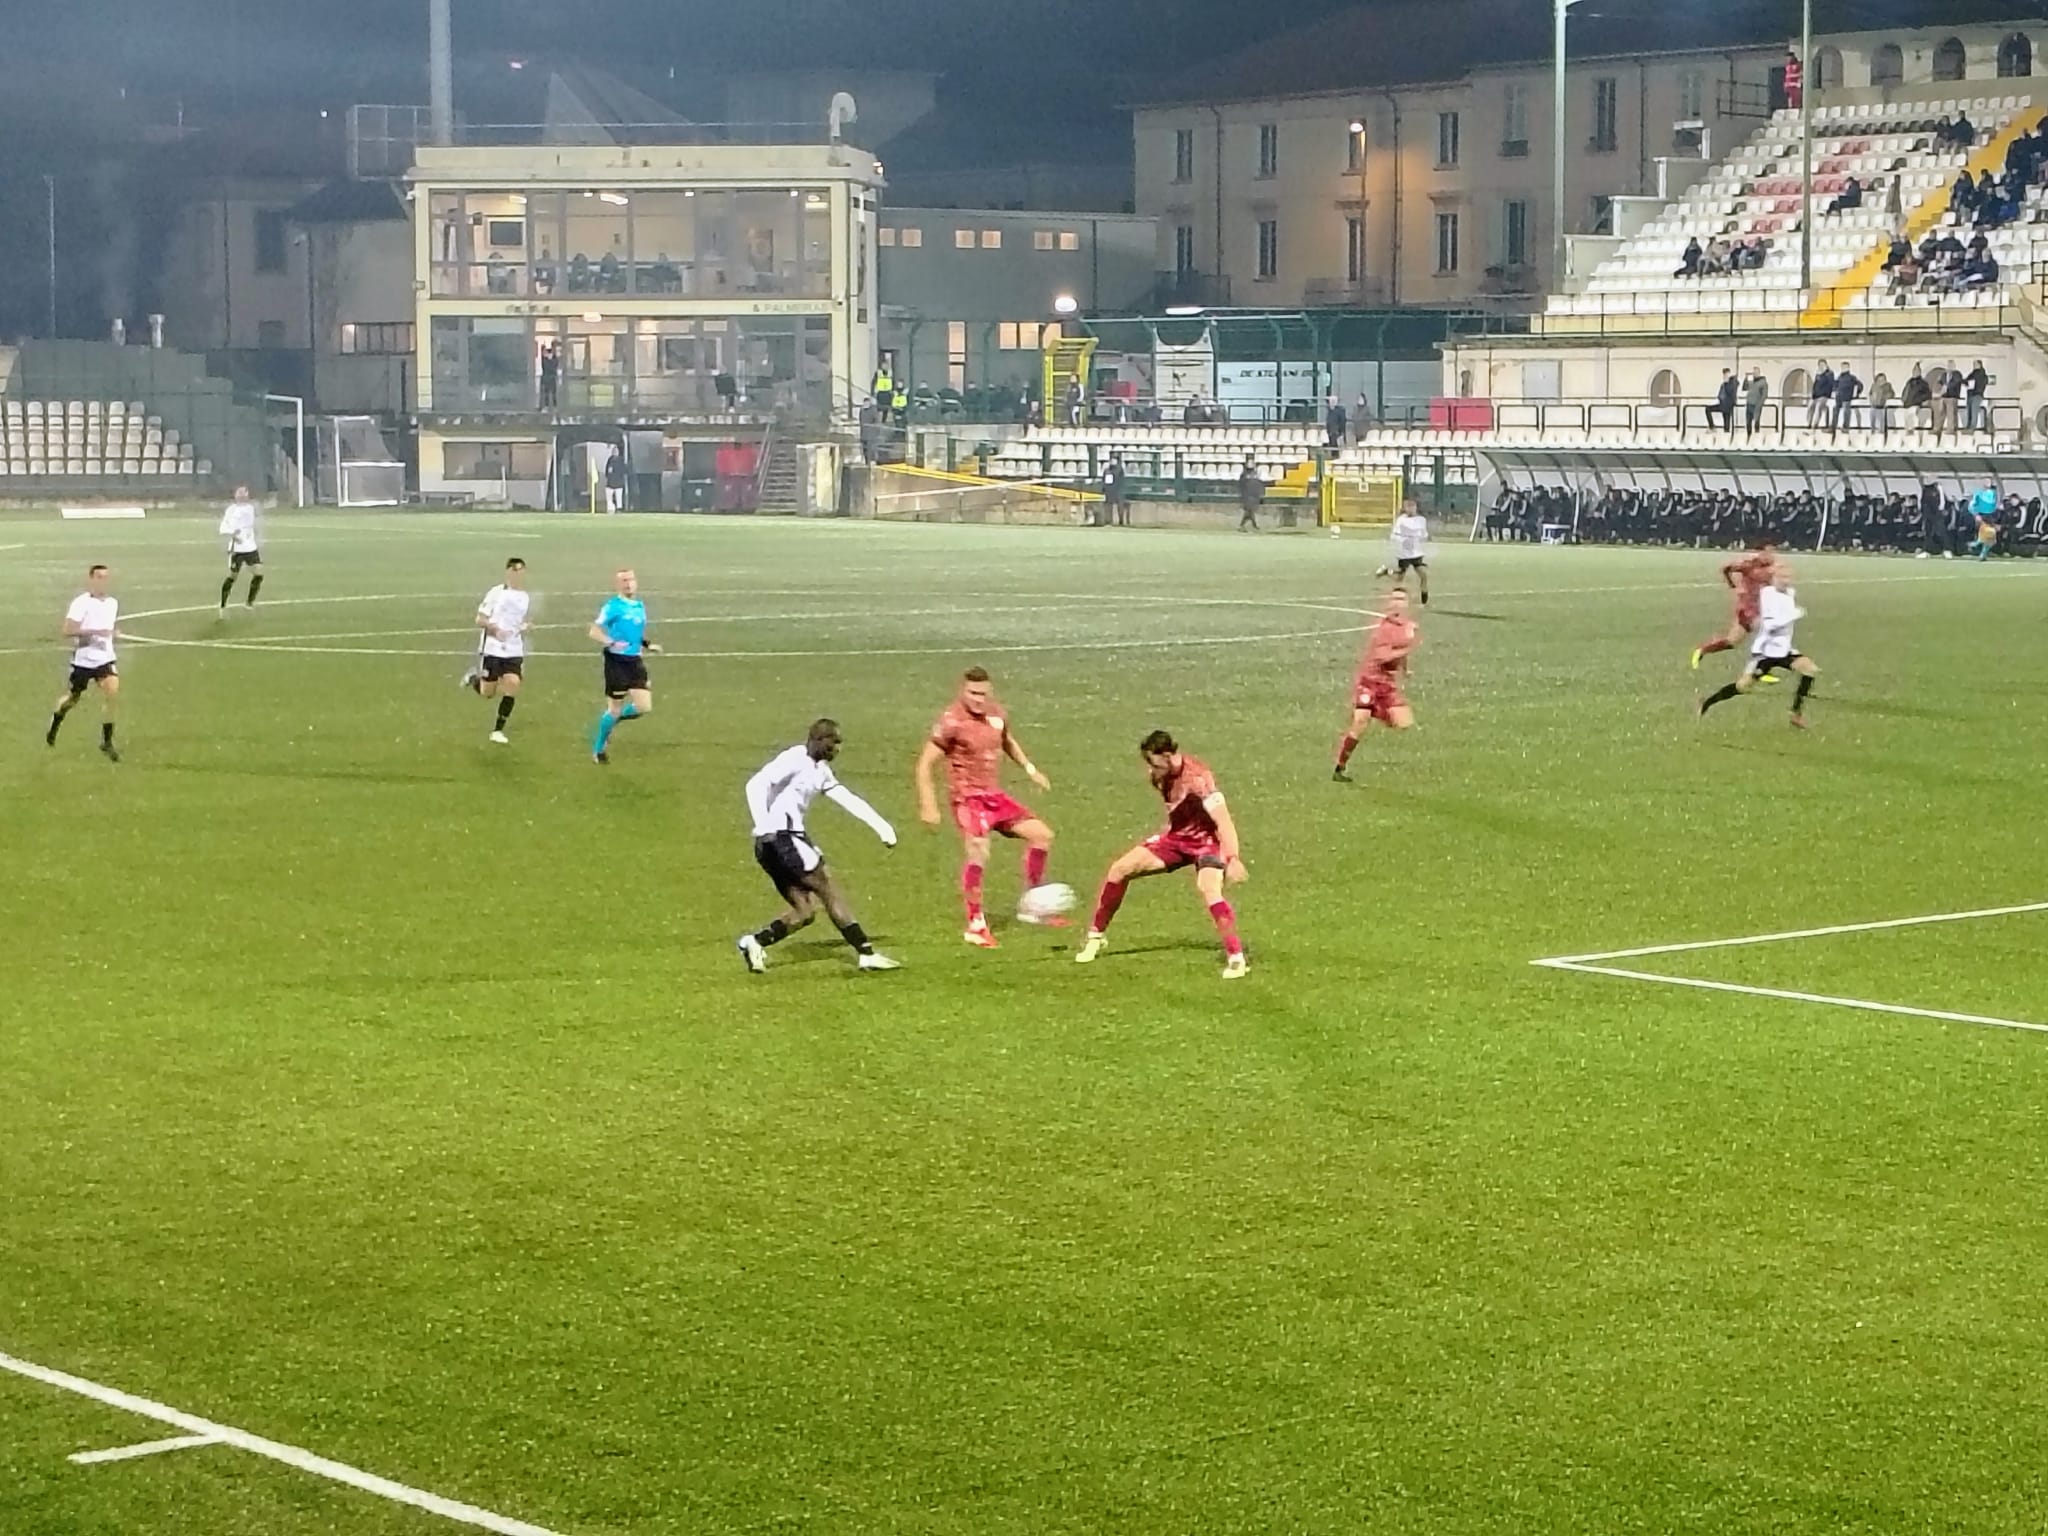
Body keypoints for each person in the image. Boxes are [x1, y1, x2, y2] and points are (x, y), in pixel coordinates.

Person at [1074, 730, 1248, 980]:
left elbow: (1223, 821)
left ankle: (1236, 958)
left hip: (1207, 844)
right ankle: (1095, 937)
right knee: (1119, 869)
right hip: (1176, 840)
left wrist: (1232, 858)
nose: (1151, 769)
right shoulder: (1159, 776)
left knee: (1209, 890)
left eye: (1154, 763)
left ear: (1167, 756)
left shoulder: (1199, 779)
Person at [736, 719, 901, 975]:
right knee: (828, 888)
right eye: (834, 744)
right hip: (783, 838)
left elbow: (846, 798)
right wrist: (763, 824)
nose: (837, 750)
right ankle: (866, 953)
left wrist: (881, 826)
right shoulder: (794, 758)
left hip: (772, 844)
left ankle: (755, 942)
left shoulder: (821, 770)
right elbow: (756, 784)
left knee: (805, 912)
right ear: (818, 740)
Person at [914, 666, 1056, 949]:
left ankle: (1032, 907)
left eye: (983, 694)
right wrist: (928, 805)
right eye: (973, 693)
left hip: (994, 797)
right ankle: (975, 925)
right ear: (962, 690)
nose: (978, 699)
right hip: (968, 799)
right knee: (978, 851)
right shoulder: (951, 721)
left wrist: (1031, 770)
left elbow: (1007, 741)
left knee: (1042, 835)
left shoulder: (996, 714)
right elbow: (924, 764)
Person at [1697, 561, 1817, 729]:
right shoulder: (1768, 594)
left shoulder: (1790, 593)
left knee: (1809, 669)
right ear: (1774, 578)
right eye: (1782, 577)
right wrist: (1794, 614)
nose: (1786, 580)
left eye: (1788, 577)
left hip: (1784, 650)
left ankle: (1795, 714)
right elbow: (1771, 624)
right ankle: (1707, 702)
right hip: (1765, 653)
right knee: (1742, 686)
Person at [1332, 586, 1418, 781]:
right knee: (1359, 723)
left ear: (1407, 603)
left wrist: (1406, 669)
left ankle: (1376, 710)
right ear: (1389, 602)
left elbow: (1402, 650)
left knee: (1404, 722)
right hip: (1369, 681)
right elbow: (1382, 657)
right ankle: (1339, 768)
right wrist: (1408, 649)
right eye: (1394, 599)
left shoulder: (1408, 627)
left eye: (1401, 599)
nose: (1397, 603)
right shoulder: (1384, 629)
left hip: (1387, 685)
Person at [48, 563, 122, 762]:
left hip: (105, 659)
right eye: (99, 577)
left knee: (112, 693)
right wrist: (96, 632)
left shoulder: (112, 603)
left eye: (105, 577)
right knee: (72, 699)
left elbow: (108, 628)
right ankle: (55, 722)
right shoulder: (81, 603)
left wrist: (113, 634)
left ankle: (106, 742)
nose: (103, 581)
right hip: (84, 660)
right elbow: (67, 630)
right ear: (91, 579)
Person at [588, 567, 660, 764]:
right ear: (617, 584)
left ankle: (612, 722)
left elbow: (634, 633)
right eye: (624, 580)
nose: (628, 584)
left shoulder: (639, 606)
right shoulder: (612, 606)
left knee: (643, 707)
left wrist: (647, 644)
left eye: (631, 579)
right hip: (616, 662)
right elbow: (594, 631)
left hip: (635, 661)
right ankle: (598, 750)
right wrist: (609, 641)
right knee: (614, 709)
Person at [463, 557, 531, 745]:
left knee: (513, 683)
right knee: (488, 692)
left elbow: (517, 621)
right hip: (492, 649)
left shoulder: (524, 597)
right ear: (508, 572)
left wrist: (524, 626)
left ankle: (497, 730)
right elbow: (480, 619)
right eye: (515, 570)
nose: (519, 574)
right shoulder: (496, 593)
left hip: (514, 649)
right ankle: (473, 679)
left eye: (521, 570)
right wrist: (495, 630)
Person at [1690, 541, 1777, 670]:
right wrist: (1734, 586)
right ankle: (1760, 671)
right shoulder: (1749, 564)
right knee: (1769, 634)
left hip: (1758, 609)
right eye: (1768, 552)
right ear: (1760, 552)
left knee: (1732, 641)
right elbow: (1726, 569)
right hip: (1747, 608)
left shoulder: (1771, 568)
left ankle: (1702, 650)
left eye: (1773, 552)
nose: (1771, 555)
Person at [1374, 498, 1431, 604]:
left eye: (1412, 506)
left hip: (1416, 552)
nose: (1411, 509)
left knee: (1423, 575)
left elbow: (1424, 534)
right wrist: (1402, 540)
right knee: (1399, 577)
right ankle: (1386, 571)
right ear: (1405, 508)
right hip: (1404, 553)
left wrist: (1423, 538)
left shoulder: (1421, 520)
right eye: (1408, 506)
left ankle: (1424, 599)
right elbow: (1394, 535)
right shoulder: (1401, 520)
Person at [217, 484, 263, 613]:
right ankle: (223, 604)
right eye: (240, 492)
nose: (242, 495)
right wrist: (232, 534)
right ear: (235, 495)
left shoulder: (251, 508)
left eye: (244, 492)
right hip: (237, 549)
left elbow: (252, 524)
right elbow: (223, 527)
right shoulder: (231, 510)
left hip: (250, 547)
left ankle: (249, 603)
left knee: (259, 574)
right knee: (232, 577)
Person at [1968, 479, 2001, 558]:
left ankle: (1980, 550)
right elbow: (1972, 506)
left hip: (1990, 519)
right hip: (1984, 519)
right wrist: (1976, 515)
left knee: (1990, 538)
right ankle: (1977, 547)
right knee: (1988, 536)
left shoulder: (1994, 498)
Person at [1830, 362, 1862, 436]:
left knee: (1846, 411)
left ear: (1848, 368)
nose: (1843, 368)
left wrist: (1855, 394)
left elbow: (1859, 385)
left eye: (1845, 367)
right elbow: (1835, 386)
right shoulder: (1839, 377)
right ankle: (1833, 426)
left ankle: (1845, 427)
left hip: (1847, 397)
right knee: (1835, 410)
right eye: (1843, 367)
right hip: (1839, 398)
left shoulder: (1852, 377)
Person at [1100, 452, 1129, 527]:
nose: (1112, 461)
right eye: (1111, 459)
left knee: (1120, 506)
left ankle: (1121, 521)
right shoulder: (1107, 471)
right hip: (1109, 490)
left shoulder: (1120, 470)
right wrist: (1104, 489)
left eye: (1114, 459)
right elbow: (1104, 481)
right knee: (1108, 506)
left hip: (1118, 490)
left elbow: (1119, 479)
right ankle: (1108, 521)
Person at [1236, 457, 1264, 531]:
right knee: (1249, 510)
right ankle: (1251, 526)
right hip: (1247, 495)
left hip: (1254, 495)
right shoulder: (1244, 475)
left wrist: (1260, 494)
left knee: (1250, 511)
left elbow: (1259, 485)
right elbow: (1241, 486)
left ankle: (1247, 526)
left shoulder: (1256, 475)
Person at [1707, 369, 1738, 433]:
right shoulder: (1725, 383)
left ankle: (1712, 427)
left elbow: (1730, 392)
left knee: (1726, 423)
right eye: (1724, 375)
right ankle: (1712, 426)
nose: (1724, 376)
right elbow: (1720, 394)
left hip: (1727, 405)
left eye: (1726, 374)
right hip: (1724, 404)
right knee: (1726, 424)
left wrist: (1726, 383)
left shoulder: (1732, 382)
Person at [1808, 361, 1836, 431]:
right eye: (1820, 365)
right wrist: (1813, 395)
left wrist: (1822, 374)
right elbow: (1815, 385)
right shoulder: (1818, 375)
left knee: (1818, 407)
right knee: (1810, 407)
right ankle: (1809, 424)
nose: (1821, 366)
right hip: (1816, 396)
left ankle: (1814, 426)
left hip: (1824, 395)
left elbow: (1830, 383)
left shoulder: (1829, 373)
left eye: (1822, 365)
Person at [1965, 360, 1990, 431]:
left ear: (1979, 365)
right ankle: (1969, 427)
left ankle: (1971, 427)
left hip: (1976, 394)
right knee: (1970, 411)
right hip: (1973, 394)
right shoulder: (1974, 374)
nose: (1974, 365)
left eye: (1975, 364)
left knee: (1973, 411)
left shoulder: (1979, 374)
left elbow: (1967, 381)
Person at [1868, 372, 1895, 436]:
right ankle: (1873, 433)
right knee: (1872, 422)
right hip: (1873, 406)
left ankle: (1882, 434)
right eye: (1879, 380)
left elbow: (1892, 394)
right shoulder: (1874, 386)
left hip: (1882, 407)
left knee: (1882, 423)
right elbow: (1870, 393)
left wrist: (1885, 396)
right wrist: (1871, 398)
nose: (1881, 381)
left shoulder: (1888, 386)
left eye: (1883, 380)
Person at [1743, 368, 1769, 435]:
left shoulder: (1763, 383)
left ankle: (1757, 435)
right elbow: (1745, 388)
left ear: (1759, 373)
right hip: (1749, 403)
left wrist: (1760, 404)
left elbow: (1764, 395)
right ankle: (1749, 436)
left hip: (1756, 404)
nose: (1755, 374)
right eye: (1754, 372)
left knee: (1756, 421)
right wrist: (1745, 379)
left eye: (1756, 372)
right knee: (1748, 422)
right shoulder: (1752, 382)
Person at [602, 445, 627, 514]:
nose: (615, 452)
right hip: (610, 483)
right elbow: (607, 471)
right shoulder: (610, 460)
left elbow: (624, 470)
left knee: (619, 498)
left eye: (616, 451)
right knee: (609, 497)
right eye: (614, 451)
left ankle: (619, 509)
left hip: (618, 483)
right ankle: (610, 509)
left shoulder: (621, 460)